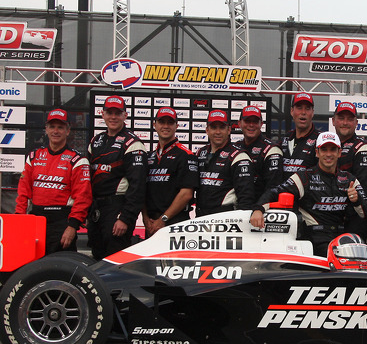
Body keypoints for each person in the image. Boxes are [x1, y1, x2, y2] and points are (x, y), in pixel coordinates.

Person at [251, 131, 367, 257]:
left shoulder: (349, 179)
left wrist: (357, 200)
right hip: (314, 240)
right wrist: (258, 209)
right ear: (317, 152)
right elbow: (275, 192)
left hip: (341, 238)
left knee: (366, 261)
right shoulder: (304, 177)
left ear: (339, 153)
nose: (328, 154)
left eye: (333, 150)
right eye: (324, 150)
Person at [16, 108, 92, 255]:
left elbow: (83, 197)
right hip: (36, 220)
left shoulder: (77, 160)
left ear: (68, 130)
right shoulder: (34, 157)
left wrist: (72, 226)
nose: (56, 131)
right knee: (33, 267)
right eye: (52, 127)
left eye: (60, 127)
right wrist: (20, 219)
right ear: (46, 129)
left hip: (62, 222)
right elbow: (23, 192)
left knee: (61, 268)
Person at [88, 95, 147, 261]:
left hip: (117, 209)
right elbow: (88, 180)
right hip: (97, 210)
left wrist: (125, 218)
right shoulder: (96, 141)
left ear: (125, 115)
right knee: (97, 258)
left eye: (117, 113)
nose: (113, 116)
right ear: (103, 114)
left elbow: (138, 186)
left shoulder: (132, 143)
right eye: (109, 112)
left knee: (115, 261)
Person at [142, 107, 198, 238]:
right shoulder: (149, 157)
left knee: (175, 260)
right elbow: (142, 191)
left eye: (170, 123)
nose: (166, 126)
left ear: (176, 126)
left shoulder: (186, 155)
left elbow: (186, 194)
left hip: (175, 222)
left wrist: (163, 220)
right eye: (162, 122)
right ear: (154, 125)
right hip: (151, 224)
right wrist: (145, 218)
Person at [194, 109, 254, 216]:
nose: (218, 132)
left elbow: (246, 199)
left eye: (222, 127)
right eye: (213, 127)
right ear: (207, 130)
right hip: (200, 218)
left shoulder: (239, 156)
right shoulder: (200, 153)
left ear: (229, 130)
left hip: (225, 219)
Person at [332, 101, 367, 239]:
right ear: (333, 121)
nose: (345, 122)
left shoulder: (363, 148)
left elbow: (363, 190)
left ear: (356, 123)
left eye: (350, 119)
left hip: (354, 219)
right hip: (329, 218)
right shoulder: (326, 146)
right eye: (341, 118)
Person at [233, 105, 283, 202]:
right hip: (238, 209)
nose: (251, 125)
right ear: (239, 123)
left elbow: (273, 188)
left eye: (255, 122)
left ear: (261, 124)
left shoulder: (271, 150)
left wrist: (258, 208)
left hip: (261, 211)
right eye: (247, 121)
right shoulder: (235, 147)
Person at [281, 92, 321, 179]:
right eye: (299, 108)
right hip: (284, 191)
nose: (303, 112)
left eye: (307, 108)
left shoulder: (320, 140)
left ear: (312, 113)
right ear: (292, 111)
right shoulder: (285, 139)